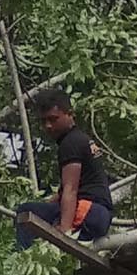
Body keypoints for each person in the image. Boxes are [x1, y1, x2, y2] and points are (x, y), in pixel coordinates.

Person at [15, 86, 113, 245]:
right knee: (41, 211)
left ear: (70, 114)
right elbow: (67, 191)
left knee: (26, 211)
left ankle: (23, 257)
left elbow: (71, 189)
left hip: (88, 212)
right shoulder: (81, 139)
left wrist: (64, 230)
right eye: (43, 121)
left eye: (53, 119)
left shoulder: (70, 143)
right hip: (98, 215)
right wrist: (47, 205)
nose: (48, 126)